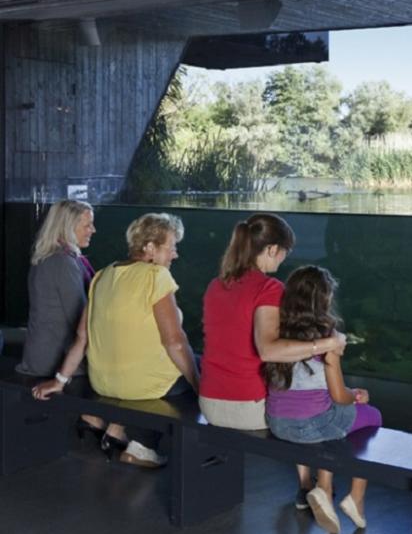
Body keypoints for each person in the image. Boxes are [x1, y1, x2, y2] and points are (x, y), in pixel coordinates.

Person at [32, 213, 199, 467]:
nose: (175, 254)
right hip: (139, 385)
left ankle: (117, 428)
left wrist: (59, 381)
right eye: (171, 247)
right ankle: (143, 445)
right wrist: (201, 386)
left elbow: (81, 337)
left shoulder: (102, 275)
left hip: (103, 382)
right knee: (196, 367)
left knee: (172, 369)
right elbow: (174, 341)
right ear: (150, 248)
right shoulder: (156, 275)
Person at [200, 213, 345, 432]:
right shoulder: (269, 288)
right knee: (334, 406)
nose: (283, 259)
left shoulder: (216, 285)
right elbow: (268, 351)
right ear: (271, 249)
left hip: (209, 402)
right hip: (249, 407)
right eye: (284, 253)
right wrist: (328, 344)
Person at [264, 266, 381, 534]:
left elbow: (309, 386)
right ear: (325, 299)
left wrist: (346, 395)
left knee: (326, 419)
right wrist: (356, 397)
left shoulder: (277, 331)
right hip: (312, 424)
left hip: (277, 422)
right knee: (370, 417)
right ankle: (355, 497)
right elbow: (339, 396)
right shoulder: (327, 336)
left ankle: (319, 487)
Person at [18, 200, 96, 378]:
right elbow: (79, 318)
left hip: (42, 356)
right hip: (55, 363)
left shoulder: (51, 257)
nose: (93, 230)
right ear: (68, 226)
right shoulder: (63, 262)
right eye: (88, 225)